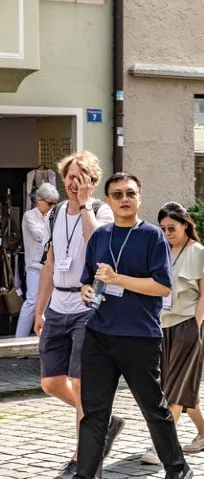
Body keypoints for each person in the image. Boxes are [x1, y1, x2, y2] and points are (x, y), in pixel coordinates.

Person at [76, 172, 192, 479]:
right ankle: (85, 474)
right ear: (109, 200)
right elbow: (88, 278)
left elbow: (162, 287)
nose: (124, 199)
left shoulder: (152, 236)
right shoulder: (100, 236)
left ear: (139, 198)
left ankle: (178, 469)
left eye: (130, 193)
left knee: (153, 408)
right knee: (94, 413)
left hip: (138, 336)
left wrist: (118, 279)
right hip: (99, 335)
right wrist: (86, 289)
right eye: (117, 195)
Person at [33, 151, 124, 479]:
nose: (74, 183)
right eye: (70, 176)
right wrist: (40, 308)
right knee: (51, 382)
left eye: (81, 177)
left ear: (93, 181)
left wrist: (85, 205)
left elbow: (97, 245)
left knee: (82, 384)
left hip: (90, 308)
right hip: (59, 305)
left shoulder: (102, 213)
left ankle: (82, 462)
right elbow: (50, 262)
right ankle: (103, 421)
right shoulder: (54, 214)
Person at [140, 202, 204, 465]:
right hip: (162, 326)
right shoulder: (160, 250)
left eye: (171, 228)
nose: (167, 234)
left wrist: (196, 325)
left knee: (173, 389)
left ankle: (160, 446)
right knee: (180, 386)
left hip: (188, 325)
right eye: (162, 229)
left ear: (185, 224)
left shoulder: (198, 252)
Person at [17, 182, 59, 338]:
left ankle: (43, 340)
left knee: (48, 303)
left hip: (50, 266)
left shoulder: (51, 216)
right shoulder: (30, 215)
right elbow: (39, 235)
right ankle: (19, 340)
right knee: (32, 301)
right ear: (39, 200)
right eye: (49, 203)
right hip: (34, 266)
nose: (52, 206)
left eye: (54, 203)